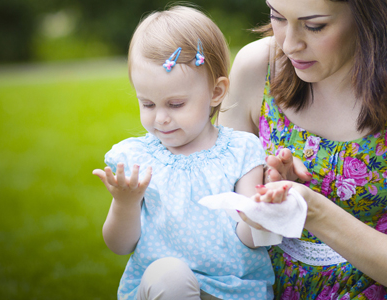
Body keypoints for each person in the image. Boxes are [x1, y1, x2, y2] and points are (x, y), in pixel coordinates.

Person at [219, 0, 387, 299]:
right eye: (277, 16)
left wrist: (314, 212)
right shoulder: (256, 68)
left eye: (314, 25)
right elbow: (220, 226)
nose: (289, 45)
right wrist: (266, 199)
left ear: (370, 15)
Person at [92, 6, 275, 300]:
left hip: (232, 290)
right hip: (166, 289)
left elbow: (251, 239)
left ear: (216, 92)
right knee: (170, 275)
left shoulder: (241, 151)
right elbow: (119, 245)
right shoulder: (138, 159)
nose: (160, 118)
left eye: (175, 104)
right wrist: (125, 203)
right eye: (148, 104)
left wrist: (264, 214)